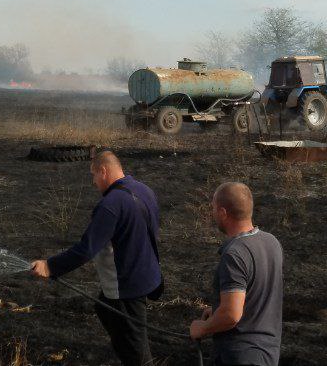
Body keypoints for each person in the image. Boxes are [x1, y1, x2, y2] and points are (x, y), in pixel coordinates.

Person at [30, 150, 162, 366]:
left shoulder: (110, 204)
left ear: (103, 171)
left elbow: (86, 249)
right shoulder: (144, 189)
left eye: (93, 175)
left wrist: (50, 266)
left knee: (137, 351)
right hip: (148, 274)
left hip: (127, 287)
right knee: (104, 307)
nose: (93, 181)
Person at [190, 182, 283, 366]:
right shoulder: (271, 242)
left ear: (223, 213)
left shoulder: (235, 254)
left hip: (242, 354)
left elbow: (231, 314)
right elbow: (257, 291)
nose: (213, 213)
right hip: (268, 352)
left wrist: (202, 328)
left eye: (214, 208)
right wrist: (219, 306)